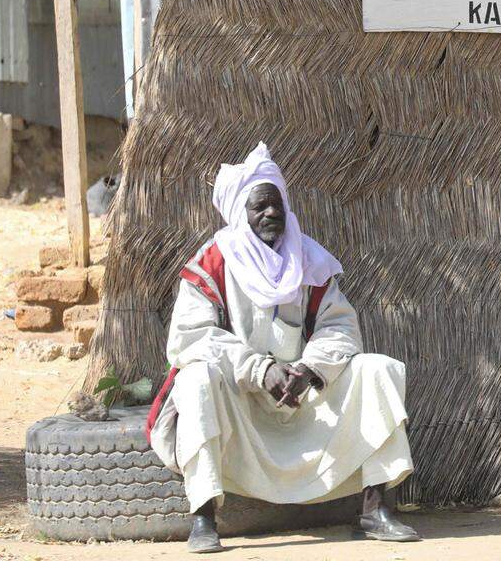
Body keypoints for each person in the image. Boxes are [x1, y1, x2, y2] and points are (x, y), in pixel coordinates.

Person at [146, 143, 419, 553]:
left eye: (276, 204)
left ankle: (374, 509)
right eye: (259, 206)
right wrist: (258, 370)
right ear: (241, 212)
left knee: (377, 369)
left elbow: (340, 327)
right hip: (240, 404)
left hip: (301, 399)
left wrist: (309, 369)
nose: (271, 213)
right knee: (196, 378)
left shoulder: (308, 260)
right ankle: (203, 516)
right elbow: (189, 338)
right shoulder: (212, 263)